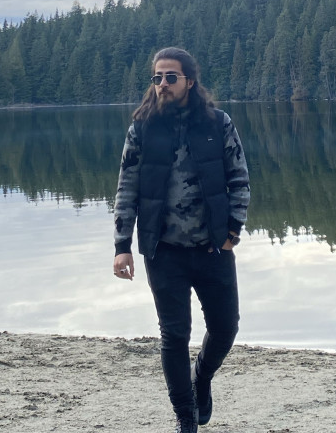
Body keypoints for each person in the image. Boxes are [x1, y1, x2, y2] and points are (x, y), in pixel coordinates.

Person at [113, 47, 250, 433]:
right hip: (163, 251)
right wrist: (122, 246)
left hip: (213, 247)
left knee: (225, 327)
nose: (162, 84)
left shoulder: (218, 123)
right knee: (174, 335)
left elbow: (239, 179)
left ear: (190, 81)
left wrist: (233, 232)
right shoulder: (142, 128)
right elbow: (126, 187)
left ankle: (201, 379)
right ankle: (185, 417)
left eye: (170, 77)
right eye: (157, 77)